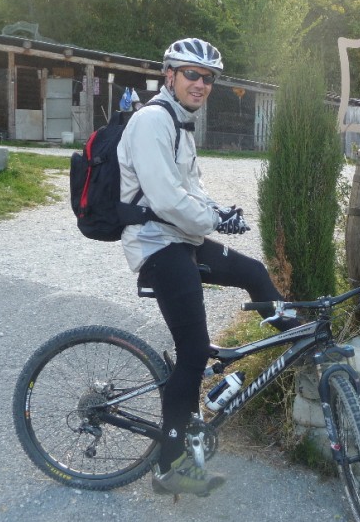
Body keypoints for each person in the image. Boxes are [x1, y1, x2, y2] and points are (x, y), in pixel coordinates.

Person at [117, 38, 293, 497]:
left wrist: (221, 211)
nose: (201, 83)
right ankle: (168, 467)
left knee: (254, 272)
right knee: (193, 354)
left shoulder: (180, 123)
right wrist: (213, 219)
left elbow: (190, 191)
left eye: (208, 78)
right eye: (191, 74)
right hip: (158, 247)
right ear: (169, 75)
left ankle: (297, 344)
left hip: (182, 238)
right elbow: (166, 199)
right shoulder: (151, 122)